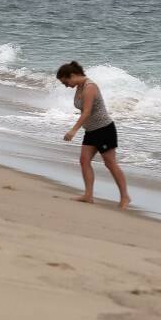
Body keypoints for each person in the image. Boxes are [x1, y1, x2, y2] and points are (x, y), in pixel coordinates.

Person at [56, 61, 130, 209]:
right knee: (84, 161)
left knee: (110, 163)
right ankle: (88, 195)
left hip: (104, 129)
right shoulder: (79, 87)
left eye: (66, 82)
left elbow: (87, 112)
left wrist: (73, 130)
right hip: (91, 130)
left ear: (73, 75)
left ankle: (125, 197)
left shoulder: (90, 87)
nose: (66, 86)